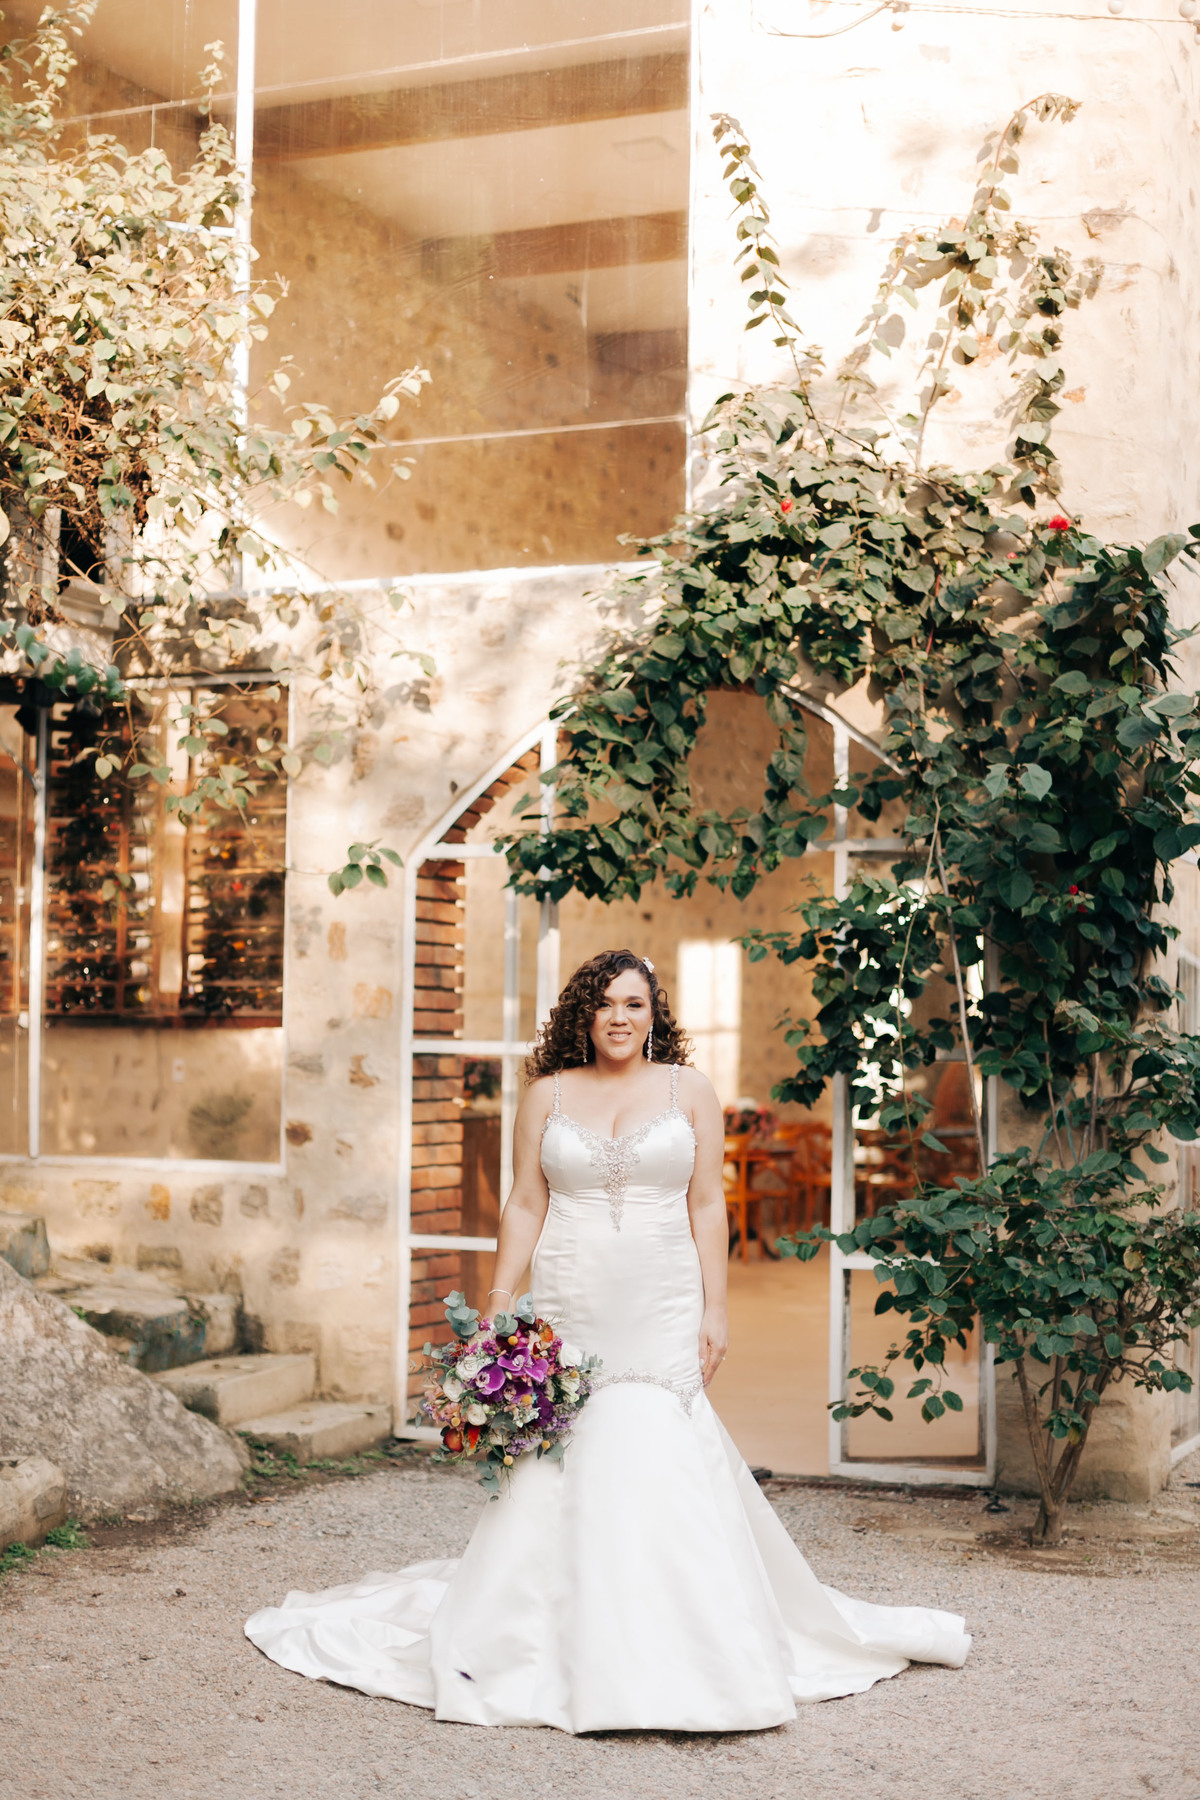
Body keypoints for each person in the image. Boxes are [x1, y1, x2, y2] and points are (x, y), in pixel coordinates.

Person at [245, 949, 970, 1732]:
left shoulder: (689, 1090)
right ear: (582, 1016)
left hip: (661, 1301)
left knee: (659, 1439)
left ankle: (688, 1643)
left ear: (654, 1015)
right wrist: (499, 1307)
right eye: (604, 1004)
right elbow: (526, 1204)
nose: (619, 1018)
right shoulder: (547, 1095)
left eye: (634, 1003)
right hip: (571, 1300)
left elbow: (706, 1205)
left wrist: (716, 1308)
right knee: (568, 1449)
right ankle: (540, 1637)